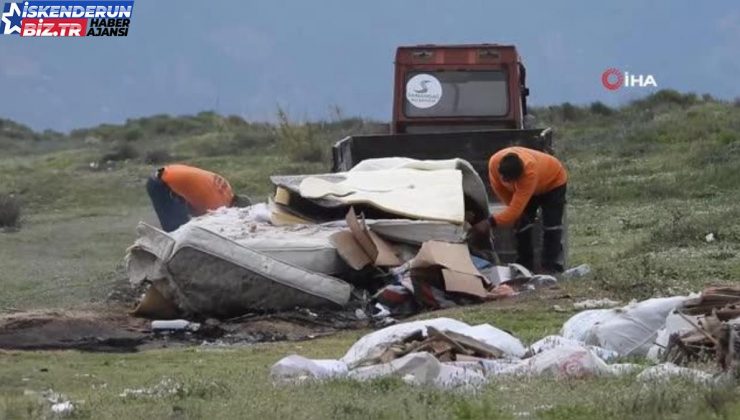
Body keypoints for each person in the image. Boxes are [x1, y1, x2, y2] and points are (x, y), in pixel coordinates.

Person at [472, 146, 567, 273]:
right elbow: (501, 190)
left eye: (511, 180)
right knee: (522, 225)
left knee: (551, 225)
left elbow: (515, 211)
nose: (505, 181)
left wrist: (489, 222)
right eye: (504, 178)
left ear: (519, 177)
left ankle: (550, 266)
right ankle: (525, 265)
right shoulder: (494, 163)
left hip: (553, 181)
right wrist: (514, 211)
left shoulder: (528, 173)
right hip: (531, 183)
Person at [146, 164, 248, 232]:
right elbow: (205, 225)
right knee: (178, 231)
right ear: (235, 209)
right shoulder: (218, 206)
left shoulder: (226, 189)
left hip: (168, 173)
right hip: (162, 184)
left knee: (182, 224)